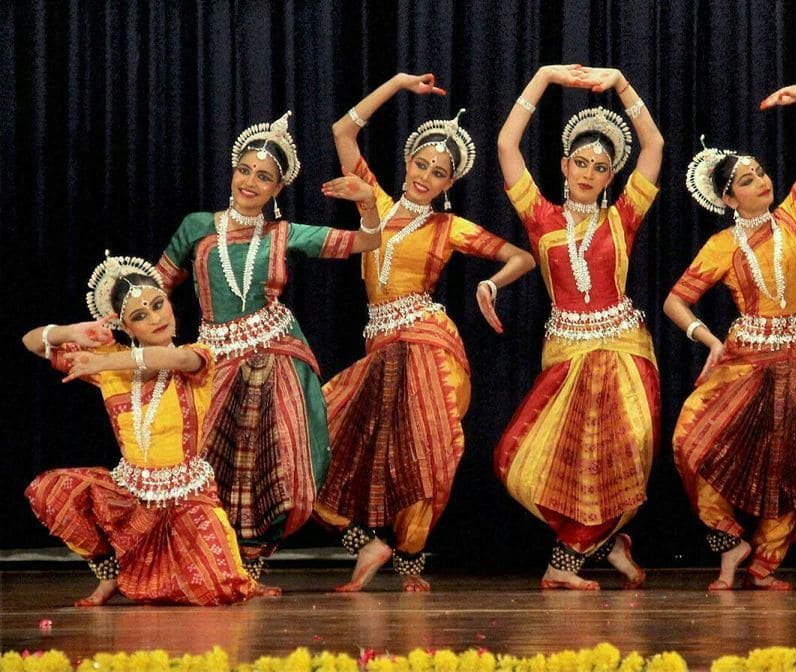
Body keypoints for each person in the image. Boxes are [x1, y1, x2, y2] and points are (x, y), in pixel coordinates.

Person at [313, 73, 536, 592]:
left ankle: (411, 555)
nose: (426, 176)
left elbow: (520, 257)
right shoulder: (375, 201)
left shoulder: (449, 228)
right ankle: (371, 542)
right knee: (329, 434)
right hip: (381, 346)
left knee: (427, 447)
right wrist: (395, 84)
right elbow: (342, 131)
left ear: (448, 185)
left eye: (439, 173)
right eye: (421, 164)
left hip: (423, 342)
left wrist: (490, 283)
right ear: (408, 159)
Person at [154, 112, 382, 578]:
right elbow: (157, 287)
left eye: (265, 177)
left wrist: (369, 205)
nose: (251, 182)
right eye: (246, 170)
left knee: (277, 460)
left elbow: (367, 242)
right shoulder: (197, 227)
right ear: (233, 170)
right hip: (214, 357)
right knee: (201, 461)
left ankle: (250, 565)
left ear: (278, 189)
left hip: (276, 353)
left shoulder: (283, 234)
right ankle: (217, 558)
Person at [24, 253, 276, 606]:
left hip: (189, 499)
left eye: (158, 305)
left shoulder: (197, 355)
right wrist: (69, 333)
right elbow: (30, 341)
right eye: (140, 316)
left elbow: (169, 359)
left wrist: (104, 360)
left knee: (218, 591)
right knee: (49, 490)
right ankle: (110, 575)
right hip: (131, 499)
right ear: (127, 328)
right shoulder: (110, 366)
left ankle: (181, 571)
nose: (155, 318)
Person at [494, 65, 663, 590]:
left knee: (626, 448)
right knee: (525, 457)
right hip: (566, 352)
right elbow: (505, 143)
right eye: (581, 163)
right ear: (565, 165)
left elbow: (654, 143)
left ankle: (565, 563)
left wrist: (621, 83)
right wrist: (543, 77)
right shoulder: (540, 218)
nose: (589, 173)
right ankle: (605, 545)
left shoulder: (624, 217)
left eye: (600, 167)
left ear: (613, 176)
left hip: (625, 347)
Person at [665, 85, 796, 591]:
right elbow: (675, 300)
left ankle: (765, 563)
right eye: (746, 179)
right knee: (691, 443)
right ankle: (728, 543)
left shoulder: (792, 214)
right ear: (726, 197)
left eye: (759, 172)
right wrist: (709, 340)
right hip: (747, 356)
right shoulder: (721, 245)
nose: (760, 181)